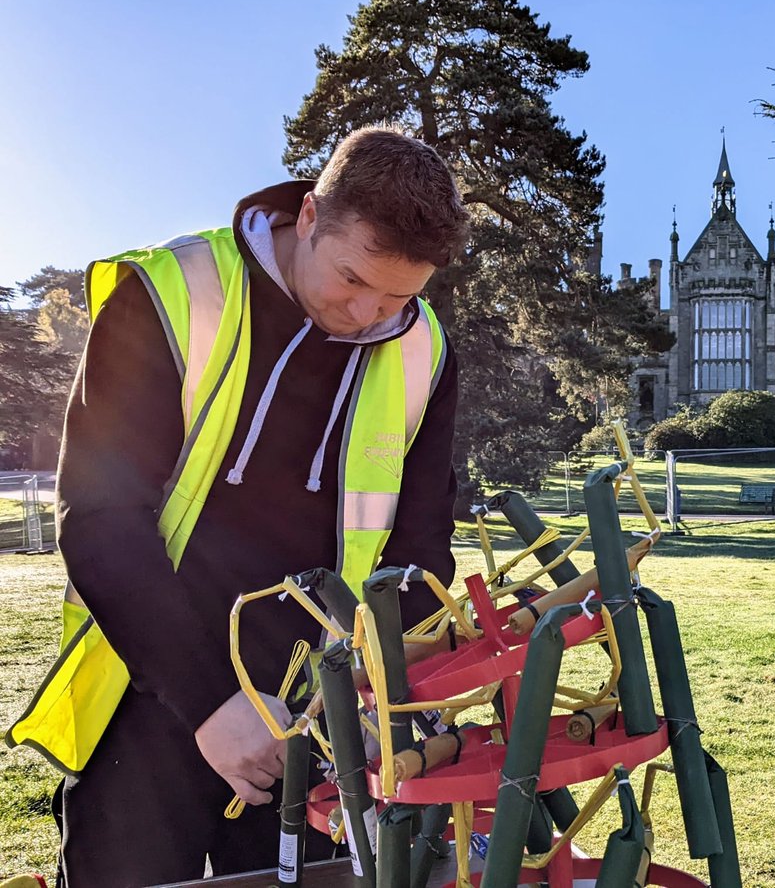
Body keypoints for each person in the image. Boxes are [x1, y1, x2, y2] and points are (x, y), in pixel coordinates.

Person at [6, 127, 470, 886]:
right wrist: (211, 703)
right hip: (152, 691)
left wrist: (397, 700)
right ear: (310, 217)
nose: (368, 315)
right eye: (352, 279)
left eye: (400, 296)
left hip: (327, 714)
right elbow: (100, 515)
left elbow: (419, 548)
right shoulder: (170, 294)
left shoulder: (426, 351)